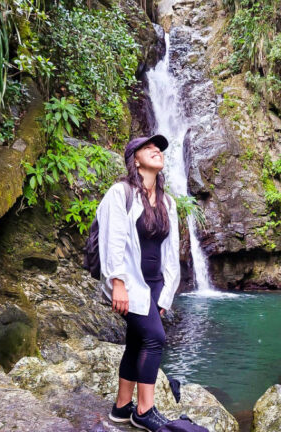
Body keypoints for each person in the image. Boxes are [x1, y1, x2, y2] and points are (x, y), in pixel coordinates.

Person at [96, 134, 180, 431]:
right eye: (149, 148)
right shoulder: (121, 193)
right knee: (155, 339)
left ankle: (121, 408)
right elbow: (113, 239)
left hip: (155, 285)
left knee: (138, 341)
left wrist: (166, 294)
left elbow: (171, 253)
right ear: (135, 159)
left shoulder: (168, 202)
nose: (157, 150)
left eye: (159, 148)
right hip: (130, 283)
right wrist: (117, 282)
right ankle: (144, 411)